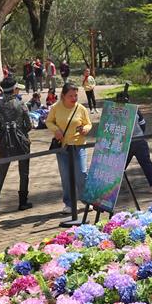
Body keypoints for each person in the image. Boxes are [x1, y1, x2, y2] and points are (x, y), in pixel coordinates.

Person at [46, 82, 92, 213]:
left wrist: (86, 129)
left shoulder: (81, 108)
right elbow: (48, 121)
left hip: (78, 146)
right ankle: (69, 204)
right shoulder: (56, 107)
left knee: (82, 174)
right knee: (66, 176)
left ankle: (87, 200)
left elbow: (88, 123)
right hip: (63, 148)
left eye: (76, 95)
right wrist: (55, 130)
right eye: (70, 96)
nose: (74, 98)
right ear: (63, 96)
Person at [0, 78, 33, 211]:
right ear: (14, 89)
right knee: (23, 172)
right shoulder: (21, 104)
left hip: (4, 142)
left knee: (1, 171)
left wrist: (4, 132)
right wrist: (20, 132)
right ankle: (22, 202)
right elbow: (29, 125)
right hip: (21, 142)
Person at [117, 87, 152, 194]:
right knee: (146, 163)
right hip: (138, 140)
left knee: (120, 165)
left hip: (124, 142)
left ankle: (110, 186)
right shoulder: (135, 109)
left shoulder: (114, 112)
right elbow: (143, 124)